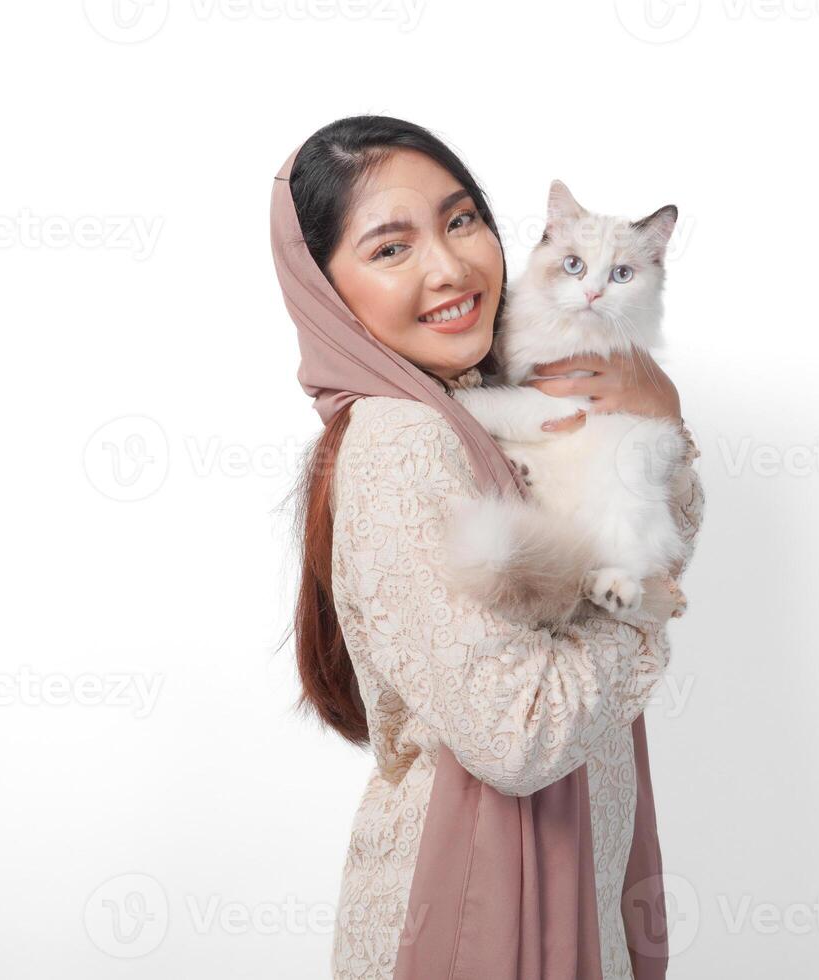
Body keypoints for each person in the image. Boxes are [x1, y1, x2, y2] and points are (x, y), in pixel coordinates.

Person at [274, 115, 704, 980]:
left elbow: (637, 529)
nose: (450, 267)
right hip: (471, 904)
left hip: (560, 875)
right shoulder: (404, 440)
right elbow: (522, 735)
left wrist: (656, 420)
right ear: (326, 291)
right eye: (391, 249)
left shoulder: (477, 400)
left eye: (461, 220)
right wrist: (639, 608)